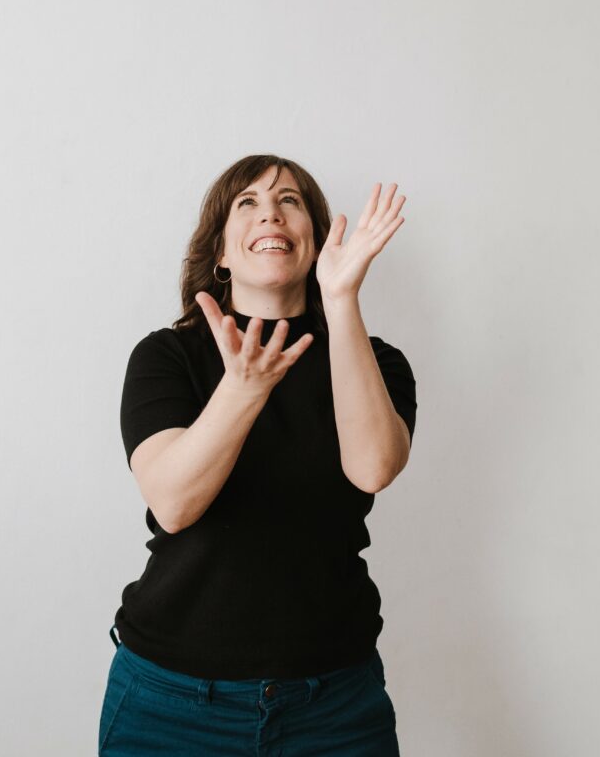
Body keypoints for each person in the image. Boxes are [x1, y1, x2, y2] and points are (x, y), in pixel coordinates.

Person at [98, 155, 418, 756]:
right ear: (220, 254)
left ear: (315, 243)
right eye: (247, 202)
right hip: (172, 704)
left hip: (336, 707)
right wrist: (244, 389)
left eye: (289, 200)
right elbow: (173, 503)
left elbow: (373, 467)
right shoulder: (167, 356)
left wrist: (340, 299)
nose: (270, 211)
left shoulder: (377, 362)